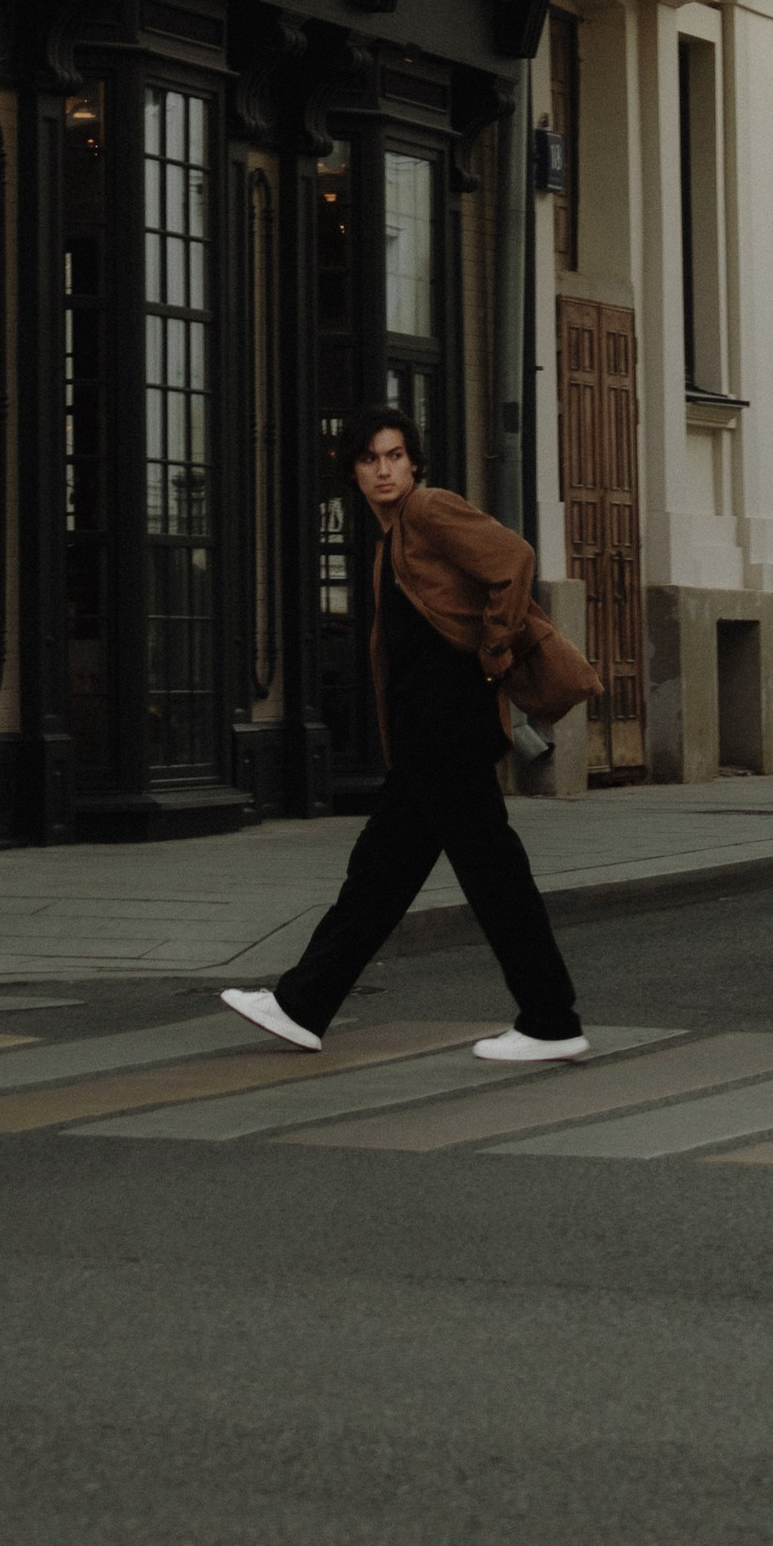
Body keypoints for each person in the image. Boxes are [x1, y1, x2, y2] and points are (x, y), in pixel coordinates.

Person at [224, 408, 588, 1066]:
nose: (385, 469)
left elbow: (514, 557)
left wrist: (498, 645)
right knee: (381, 876)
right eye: (371, 459)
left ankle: (551, 1018)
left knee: (488, 873)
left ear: (413, 462)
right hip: (430, 735)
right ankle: (304, 1004)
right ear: (354, 472)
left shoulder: (427, 510)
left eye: (395, 455)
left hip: (449, 728)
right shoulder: (389, 540)